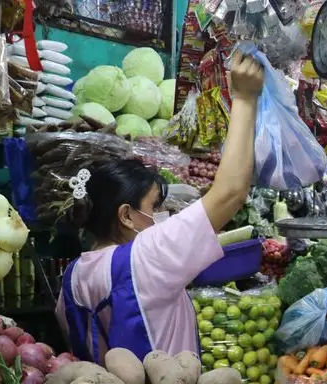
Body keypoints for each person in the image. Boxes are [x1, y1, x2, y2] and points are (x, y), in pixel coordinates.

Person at [55, 51, 265, 363]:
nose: (162, 217)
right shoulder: (148, 256)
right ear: (126, 215)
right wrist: (245, 98)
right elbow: (232, 191)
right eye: (155, 206)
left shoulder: (71, 277)